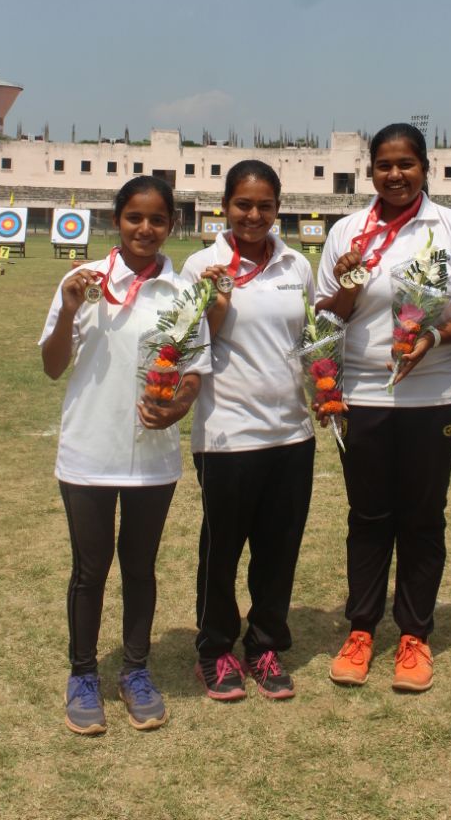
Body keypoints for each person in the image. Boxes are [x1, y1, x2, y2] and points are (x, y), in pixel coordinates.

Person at [316, 123, 451, 692]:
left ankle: (414, 635)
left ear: (425, 167)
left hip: (436, 396)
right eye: (384, 165)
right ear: (370, 170)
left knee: (421, 516)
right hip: (362, 396)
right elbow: (326, 319)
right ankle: (362, 629)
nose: (395, 174)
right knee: (368, 517)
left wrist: (435, 339)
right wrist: (345, 285)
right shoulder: (346, 231)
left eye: (406, 164)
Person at [40, 177, 209, 735]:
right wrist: (67, 311)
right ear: (117, 220)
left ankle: (135, 670)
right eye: (134, 217)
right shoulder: (81, 281)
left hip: (151, 457)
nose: (145, 229)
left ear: (171, 227)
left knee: (139, 567)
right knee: (91, 570)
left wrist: (179, 407)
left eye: (158, 220)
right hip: (89, 449)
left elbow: (194, 373)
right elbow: (52, 366)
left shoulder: (185, 291)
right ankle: (83, 674)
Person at [180, 160, 316, 701]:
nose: (253, 216)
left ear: (278, 208)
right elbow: (187, 348)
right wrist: (214, 306)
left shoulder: (296, 265)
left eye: (264, 206)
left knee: (279, 548)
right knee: (222, 549)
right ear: (225, 206)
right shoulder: (201, 266)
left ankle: (264, 644)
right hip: (227, 434)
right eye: (243, 205)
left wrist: (328, 389)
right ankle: (215, 649)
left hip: (291, 432)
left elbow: (308, 341)